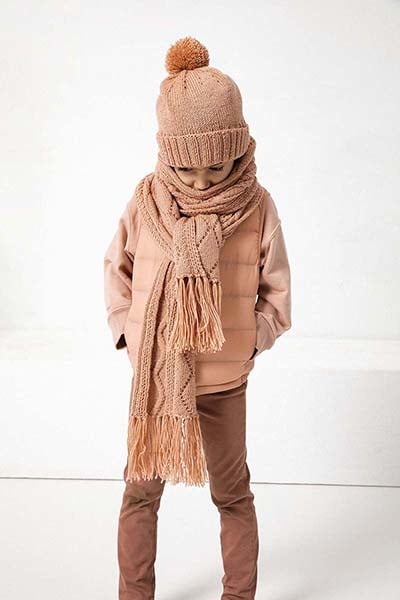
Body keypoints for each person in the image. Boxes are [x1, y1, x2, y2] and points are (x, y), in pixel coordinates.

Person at [103, 36, 292, 600]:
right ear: (168, 154)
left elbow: (277, 291)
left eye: (217, 165)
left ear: (239, 149)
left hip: (226, 381)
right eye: (187, 168)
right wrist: (129, 332)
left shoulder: (256, 206)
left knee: (232, 493)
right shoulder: (148, 201)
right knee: (140, 493)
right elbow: (117, 269)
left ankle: (239, 594)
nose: (203, 182)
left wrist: (251, 340)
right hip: (157, 380)